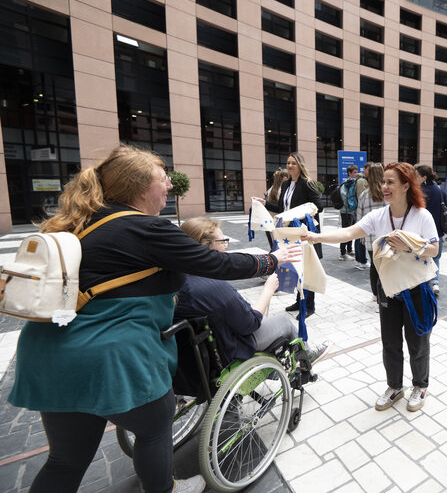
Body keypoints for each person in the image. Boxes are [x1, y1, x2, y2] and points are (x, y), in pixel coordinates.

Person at [8, 145, 302, 493]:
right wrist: (272, 260)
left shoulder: (81, 223)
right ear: (139, 186)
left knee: (65, 461)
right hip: (113, 359)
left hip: (47, 354)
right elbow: (218, 264)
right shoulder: (144, 228)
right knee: (153, 430)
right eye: (163, 180)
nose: (169, 187)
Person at [305, 162, 439, 412]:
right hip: (388, 288)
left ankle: (420, 386)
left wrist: (409, 246)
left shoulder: (422, 215)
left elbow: (434, 249)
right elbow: (348, 233)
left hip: (417, 289)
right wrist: (316, 237)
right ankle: (395, 387)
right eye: (383, 182)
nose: (384, 187)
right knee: (390, 342)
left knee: (418, 342)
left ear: (406, 185)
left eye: (390, 182)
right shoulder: (378, 216)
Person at [174, 217, 328, 364]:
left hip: (200, 353)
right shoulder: (214, 287)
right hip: (231, 346)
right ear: (205, 247)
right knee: (284, 322)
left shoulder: (176, 278)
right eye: (222, 241)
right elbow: (251, 322)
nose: (226, 246)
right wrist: (268, 289)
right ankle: (307, 356)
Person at [256, 152, 323, 318]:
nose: (290, 165)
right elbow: (281, 209)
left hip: (303, 232)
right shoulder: (285, 185)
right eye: (288, 163)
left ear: (300, 165)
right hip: (289, 233)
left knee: (306, 269)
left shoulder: (308, 184)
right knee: (295, 268)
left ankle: (309, 306)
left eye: (293, 163)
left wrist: (298, 214)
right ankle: (299, 301)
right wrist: (265, 203)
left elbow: (318, 206)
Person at [415, 164, 447, 297]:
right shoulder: (440, 190)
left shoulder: (417, 191)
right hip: (437, 231)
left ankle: (421, 283)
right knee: (436, 258)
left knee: (420, 257)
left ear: (424, 177)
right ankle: (435, 282)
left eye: (416, 176)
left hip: (420, 232)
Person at [355, 163, 387, 304]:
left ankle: (375, 294)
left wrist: (362, 235)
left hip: (369, 237)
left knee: (374, 266)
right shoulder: (387, 192)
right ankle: (384, 295)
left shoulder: (364, 195)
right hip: (386, 237)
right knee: (385, 267)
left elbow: (359, 217)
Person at [264, 168, 289, 249]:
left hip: (269, 222)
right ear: (285, 178)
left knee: (274, 247)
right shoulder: (283, 190)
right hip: (280, 223)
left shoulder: (271, 189)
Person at [338, 164, 358, 261]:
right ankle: (342, 253)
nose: (356, 174)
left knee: (351, 231)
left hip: (351, 211)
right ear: (349, 173)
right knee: (346, 232)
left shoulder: (352, 183)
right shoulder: (346, 183)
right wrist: (350, 205)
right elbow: (343, 195)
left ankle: (349, 250)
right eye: (354, 172)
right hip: (346, 211)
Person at [353, 163, 371, 270]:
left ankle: (359, 260)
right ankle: (361, 260)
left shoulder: (363, 180)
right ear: (365, 169)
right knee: (360, 237)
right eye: (370, 170)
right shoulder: (361, 181)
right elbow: (361, 199)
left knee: (359, 236)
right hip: (360, 212)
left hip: (361, 212)